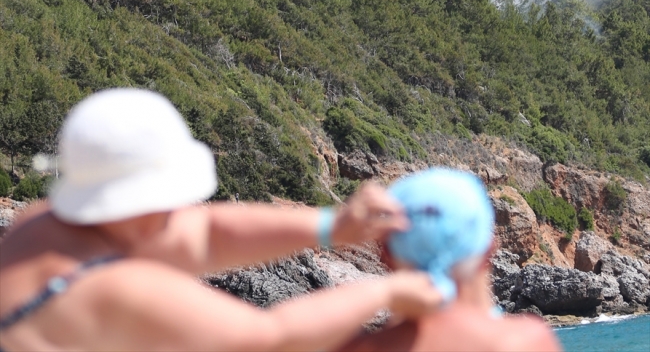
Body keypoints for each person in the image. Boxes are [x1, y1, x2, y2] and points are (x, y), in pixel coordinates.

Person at [0, 89, 442, 352]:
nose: (181, 211)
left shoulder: (42, 225)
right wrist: (384, 290)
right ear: (142, 202)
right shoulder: (113, 287)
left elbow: (206, 234)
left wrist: (329, 227)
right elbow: (272, 337)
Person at [338, 168, 560, 352]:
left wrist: (329, 229)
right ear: (489, 250)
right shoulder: (524, 342)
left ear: (386, 254)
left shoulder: (361, 347)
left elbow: (301, 327)